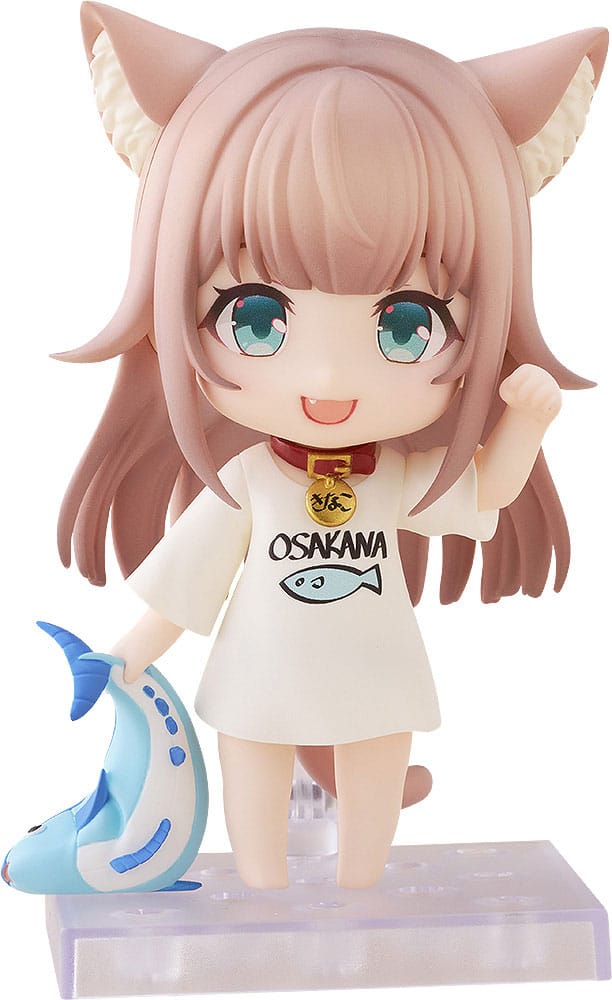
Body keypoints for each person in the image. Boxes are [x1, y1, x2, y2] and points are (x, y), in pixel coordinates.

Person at [58, 3, 608, 888]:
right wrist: (121, 657)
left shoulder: (391, 478)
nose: (326, 378)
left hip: (375, 674)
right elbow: (184, 591)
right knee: (254, 778)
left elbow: (486, 494)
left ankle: (359, 895)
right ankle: (263, 895)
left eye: (406, 325)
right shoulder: (250, 481)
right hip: (259, 677)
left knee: (374, 776)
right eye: (256, 318)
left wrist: (527, 422)